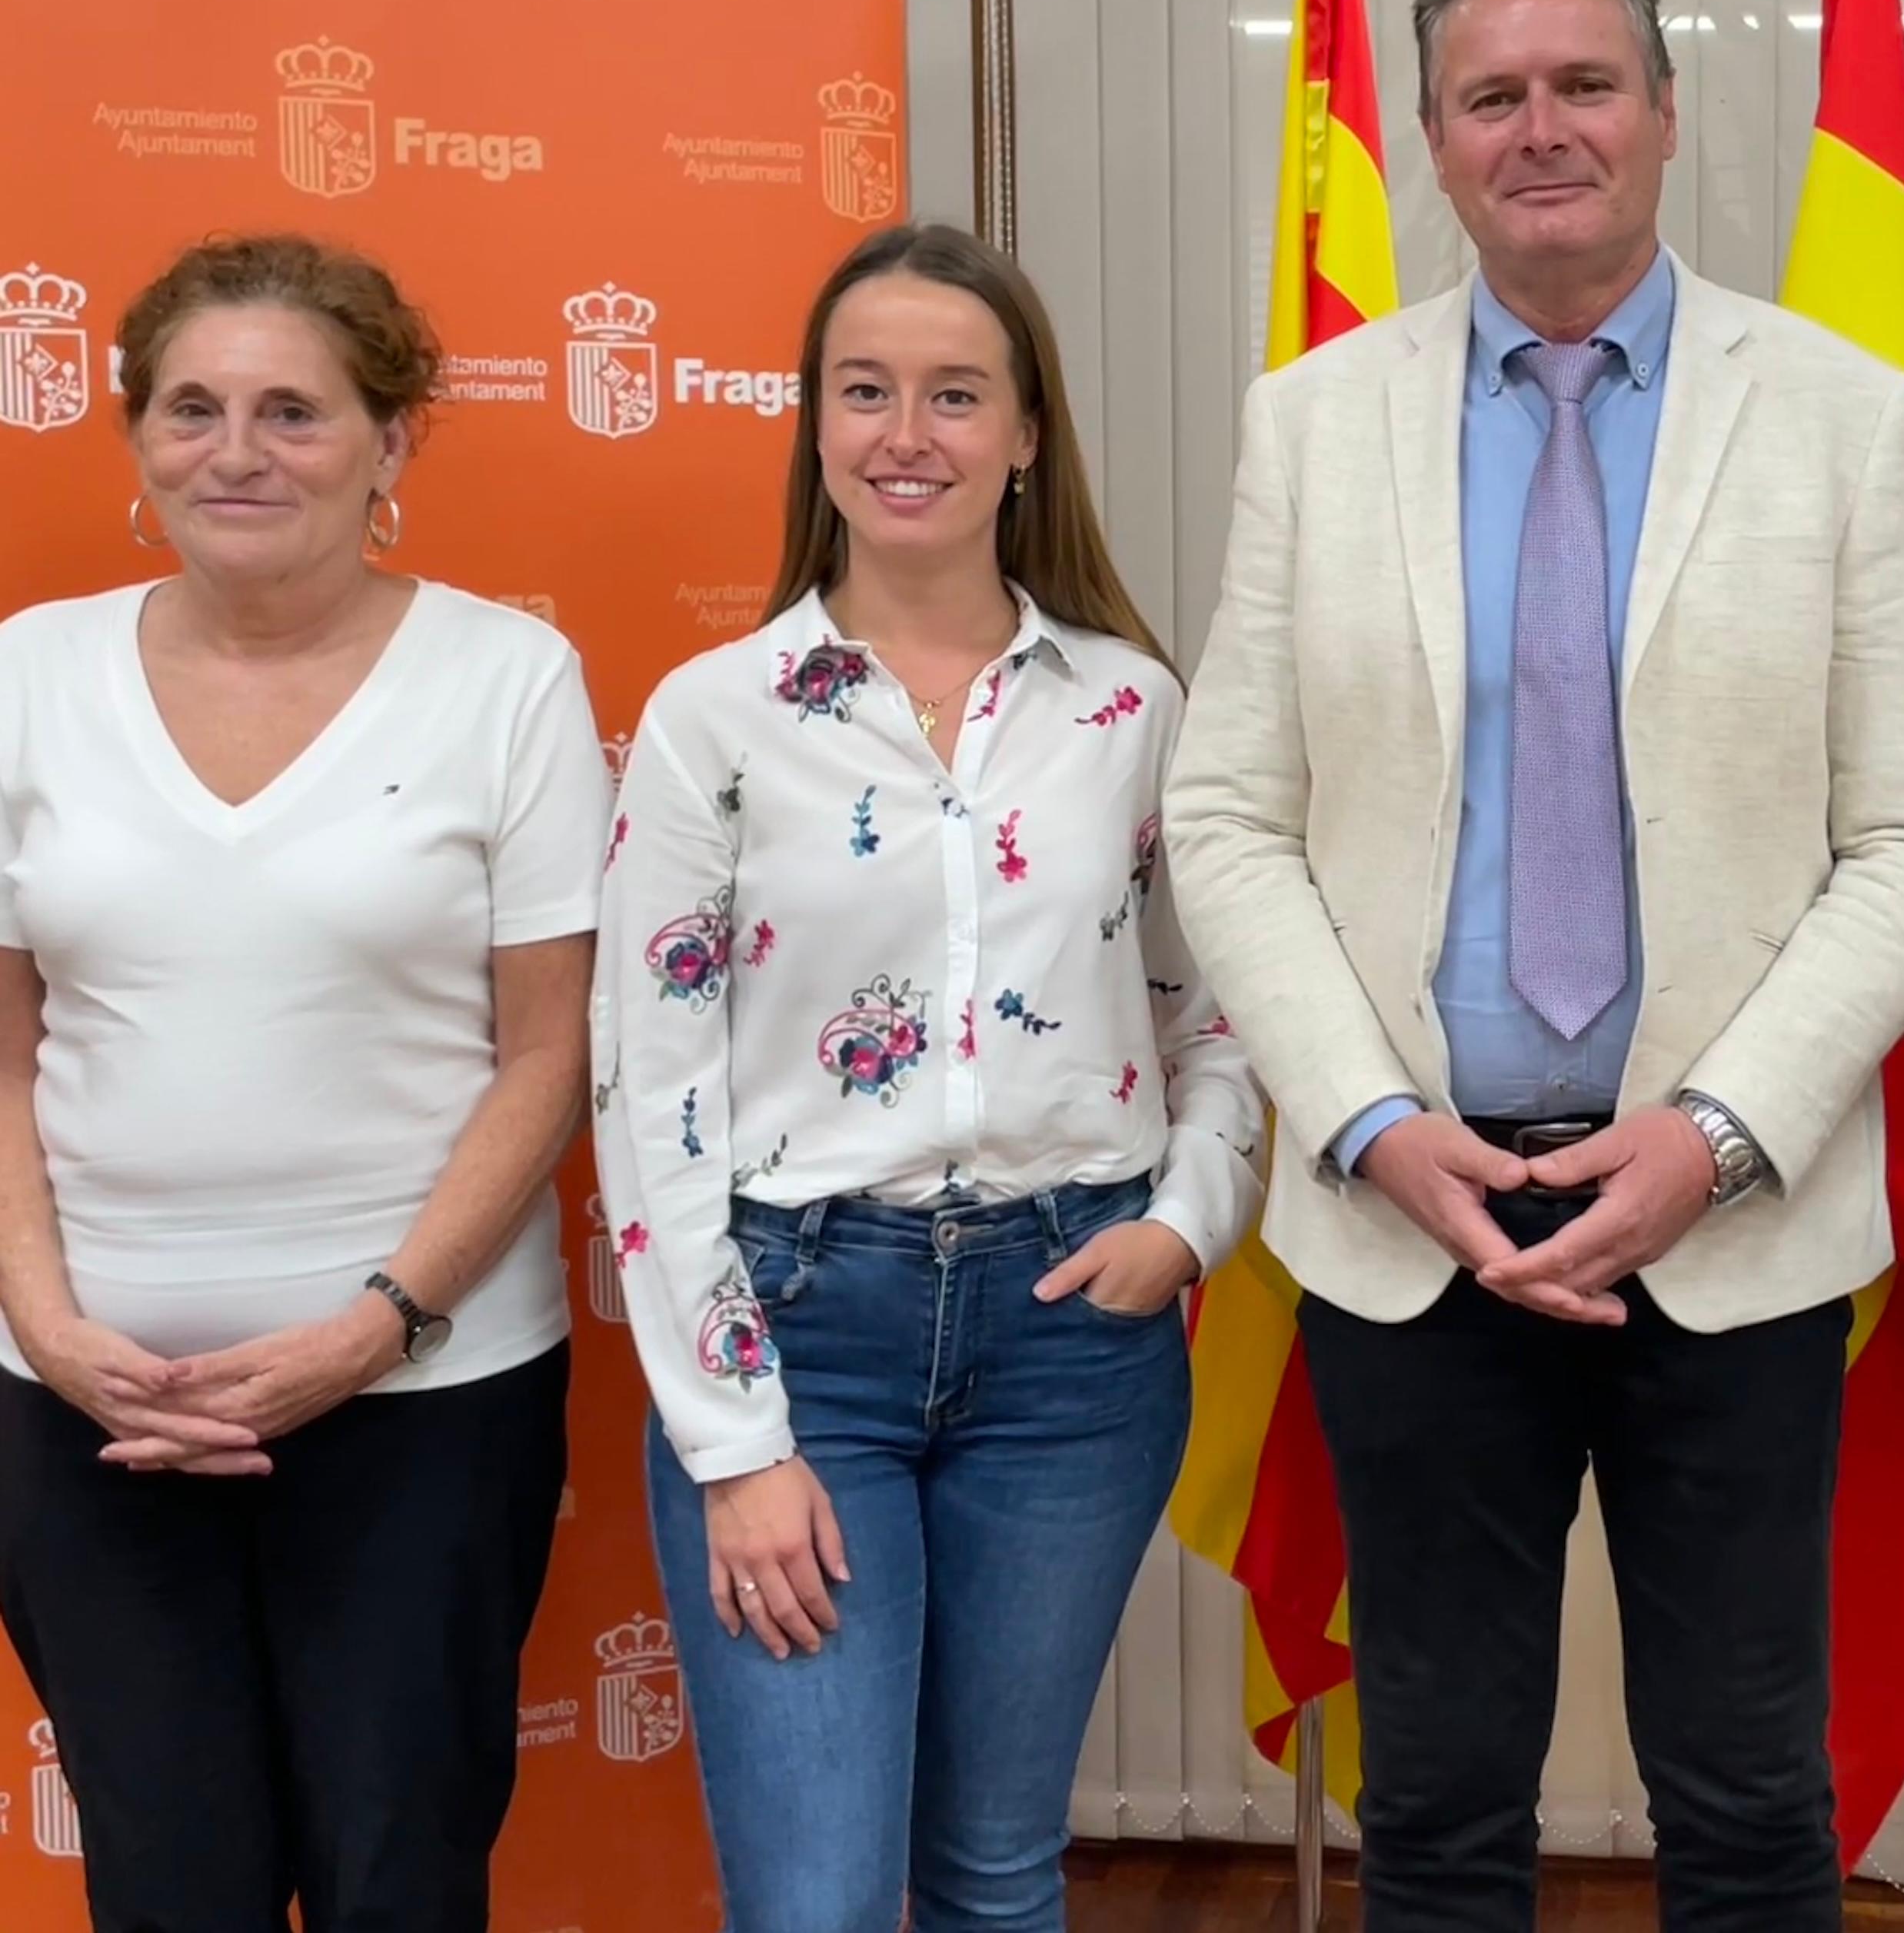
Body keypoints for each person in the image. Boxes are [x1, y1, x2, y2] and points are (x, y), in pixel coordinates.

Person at [1163, 0, 1904, 1932]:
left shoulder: (1839, 417)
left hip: (1735, 1212)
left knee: (1744, 1795)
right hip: (1408, 1214)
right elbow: (1231, 814)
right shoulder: (1312, 423)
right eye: (1491, 94)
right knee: (1436, 1805)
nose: (1544, 127)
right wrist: (1365, 1124)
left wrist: (1712, 1139)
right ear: (1432, 139)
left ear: (1668, 111)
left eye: (1585, 83)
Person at [593, 224, 1262, 1933]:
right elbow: (646, 1088)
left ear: (1028, 435)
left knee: (994, 1874)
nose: (910, 433)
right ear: (814, 429)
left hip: (1075, 1340)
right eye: (866, 391)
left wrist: (1191, 1218)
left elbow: (1221, 1010)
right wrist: (737, 1443)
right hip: (803, 1331)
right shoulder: (713, 719)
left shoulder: (1130, 709)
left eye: (957, 395)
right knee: (818, 1901)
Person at [0, 235, 607, 1932]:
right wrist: (50, 1332)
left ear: (392, 443)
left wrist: (370, 1329)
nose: (237, 450)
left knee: (394, 1881)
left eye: (294, 410)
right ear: (134, 441)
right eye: (190, 408)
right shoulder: (24, 680)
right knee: (164, 1884)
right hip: (88, 1421)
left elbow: (547, 1053)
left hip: (422, 1405)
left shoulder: (506, 681)